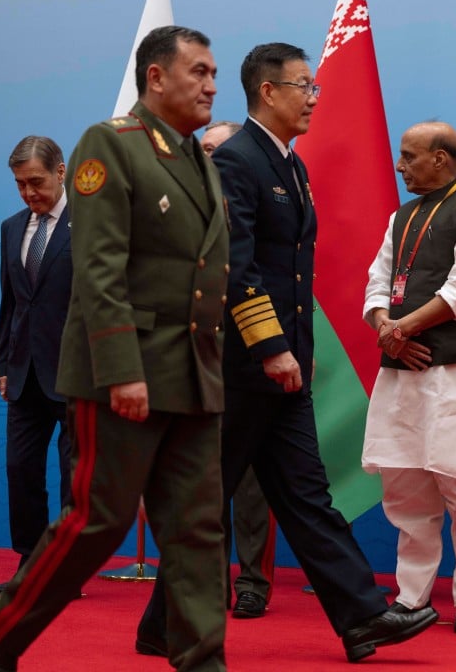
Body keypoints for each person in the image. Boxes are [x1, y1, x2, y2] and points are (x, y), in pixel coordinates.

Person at [137, 42, 437, 663]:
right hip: (244, 369)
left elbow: (294, 276)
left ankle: (361, 619)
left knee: (305, 497)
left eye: (315, 87)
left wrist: (293, 351)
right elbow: (235, 267)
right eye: (305, 86)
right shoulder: (238, 162)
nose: (314, 99)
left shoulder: (290, 167)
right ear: (268, 92)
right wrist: (271, 347)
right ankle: (162, 625)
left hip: (282, 371)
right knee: (206, 503)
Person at [0, 25, 230, 672]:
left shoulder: (196, 157)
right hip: (128, 372)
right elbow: (98, 267)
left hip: (193, 375)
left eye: (213, 73)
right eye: (198, 71)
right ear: (155, 77)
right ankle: (2, 632)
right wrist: (121, 368)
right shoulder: (109, 146)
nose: (211, 84)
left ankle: (202, 660)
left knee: (198, 529)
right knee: (98, 523)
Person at [362, 121, 456, 634]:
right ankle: (411, 597)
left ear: (441, 159)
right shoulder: (402, 215)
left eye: (409, 156)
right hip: (404, 373)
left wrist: (401, 327)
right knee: (407, 491)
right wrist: (386, 326)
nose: (401, 166)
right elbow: (377, 282)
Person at [0, 135, 74, 597]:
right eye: (20, 185)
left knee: (73, 476)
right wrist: (4, 362)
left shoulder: (93, 225)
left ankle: (64, 568)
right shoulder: (11, 227)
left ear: (61, 172)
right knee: (20, 469)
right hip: (23, 375)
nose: (28, 193)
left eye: (36, 182)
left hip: (77, 374)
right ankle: (30, 562)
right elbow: (11, 305)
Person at [201, 118, 275, 620]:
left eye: (217, 152)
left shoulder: (259, 210)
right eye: (203, 151)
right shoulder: (187, 209)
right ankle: (206, 581)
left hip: (250, 356)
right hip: (199, 362)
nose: (209, 160)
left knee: (250, 481)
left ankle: (252, 582)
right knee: (204, 481)